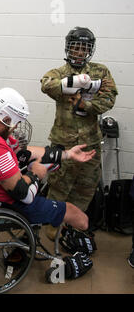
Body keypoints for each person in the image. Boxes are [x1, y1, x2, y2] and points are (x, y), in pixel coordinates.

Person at [0, 87, 96, 280]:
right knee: (80, 217)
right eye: (15, 123)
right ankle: (78, 243)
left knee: (31, 159)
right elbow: (24, 194)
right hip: (5, 206)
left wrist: (67, 154)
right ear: (6, 119)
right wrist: (37, 173)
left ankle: (32, 233)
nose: (15, 128)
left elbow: (25, 153)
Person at [40, 27, 118, 240]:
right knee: (58, 187)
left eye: (84, 48)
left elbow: (109, 97)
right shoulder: (59, 73)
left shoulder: (100, 72)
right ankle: (53, 228)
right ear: (68, 48)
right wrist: (72, 83)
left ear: (89, 50)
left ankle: (71, 226)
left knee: (86, 187)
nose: (79, 52)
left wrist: (86, 104)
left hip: (90, 143)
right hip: (63, 144)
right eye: (75, 47)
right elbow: (46, 85)